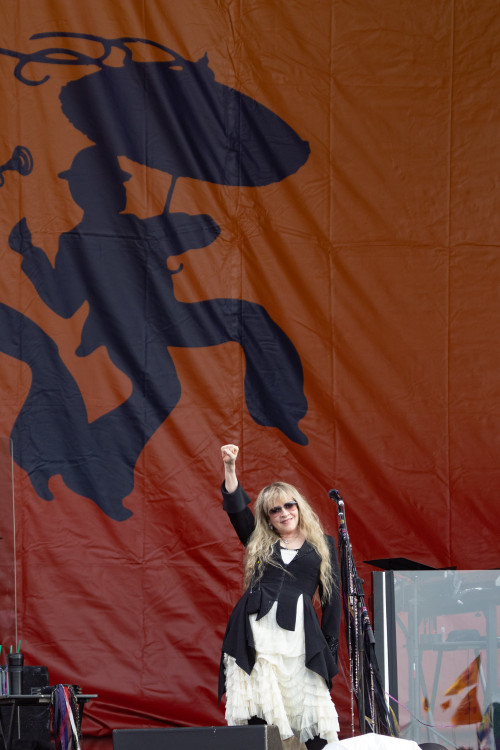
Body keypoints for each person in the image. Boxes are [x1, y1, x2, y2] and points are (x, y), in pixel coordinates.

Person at [218, 444, 341, 749]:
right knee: (260, 709)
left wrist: (328, 650)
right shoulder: (258, 539)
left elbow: (332, 601)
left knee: (312, 717)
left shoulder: (322, 544)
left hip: (299, 635)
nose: (284, 513)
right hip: (257, 633)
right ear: (268, 518)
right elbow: (236, 509)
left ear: (299, 507)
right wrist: (230, 468)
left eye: (289, 506)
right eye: (275, 510)